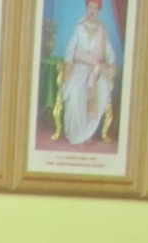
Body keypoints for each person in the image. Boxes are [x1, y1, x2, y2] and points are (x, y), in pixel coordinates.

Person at [58, 0, 119, 144]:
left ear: (99, 10)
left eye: (95, 8)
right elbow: (70, 48)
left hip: (96, 71)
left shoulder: (102, 30)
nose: (92, 10)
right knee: (75, 89)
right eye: (90, 7)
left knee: (102, 87)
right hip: (80, 68)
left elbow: (110, 54)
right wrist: (68, 65)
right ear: (87, 8)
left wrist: (108, 66)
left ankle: (87, 134)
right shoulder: (79, 27)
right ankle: (77, 134)